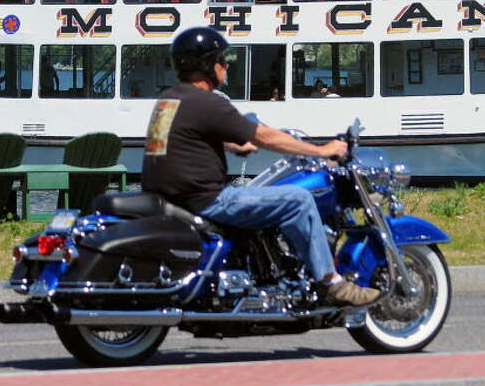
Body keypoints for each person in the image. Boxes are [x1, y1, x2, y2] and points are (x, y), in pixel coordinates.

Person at [142, 27, 379, 308]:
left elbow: (189, 136)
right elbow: (264, 136)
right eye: (221, 59)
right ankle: (330, 283)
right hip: (205, 199)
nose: (226, 66)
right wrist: (321, 150)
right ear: (206, 65)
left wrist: (233, 144)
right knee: (299, 199)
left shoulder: (170, 98)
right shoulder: (208, 102)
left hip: (171, 196)